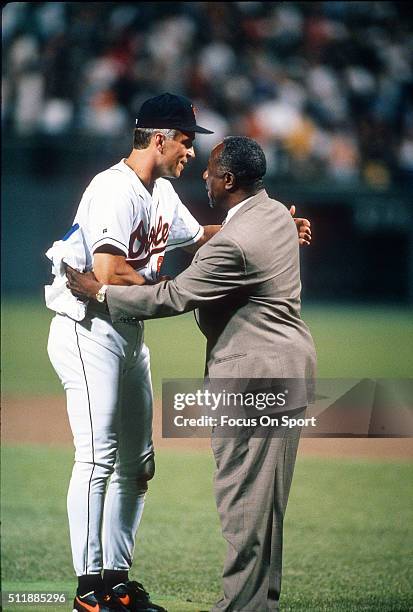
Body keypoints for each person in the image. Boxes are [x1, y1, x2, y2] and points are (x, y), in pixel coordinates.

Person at [66, 136, 317, 612]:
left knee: (244, 501)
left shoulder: (237, 243)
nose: (203, 173)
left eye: (212, 170)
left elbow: (173, 297)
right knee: (267, 505)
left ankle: (241, 608)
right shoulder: (277, 215)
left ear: (228, 180)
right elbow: (212, 236)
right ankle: (261, 603)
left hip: (252, 378)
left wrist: (100, 292)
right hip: (291, 368)